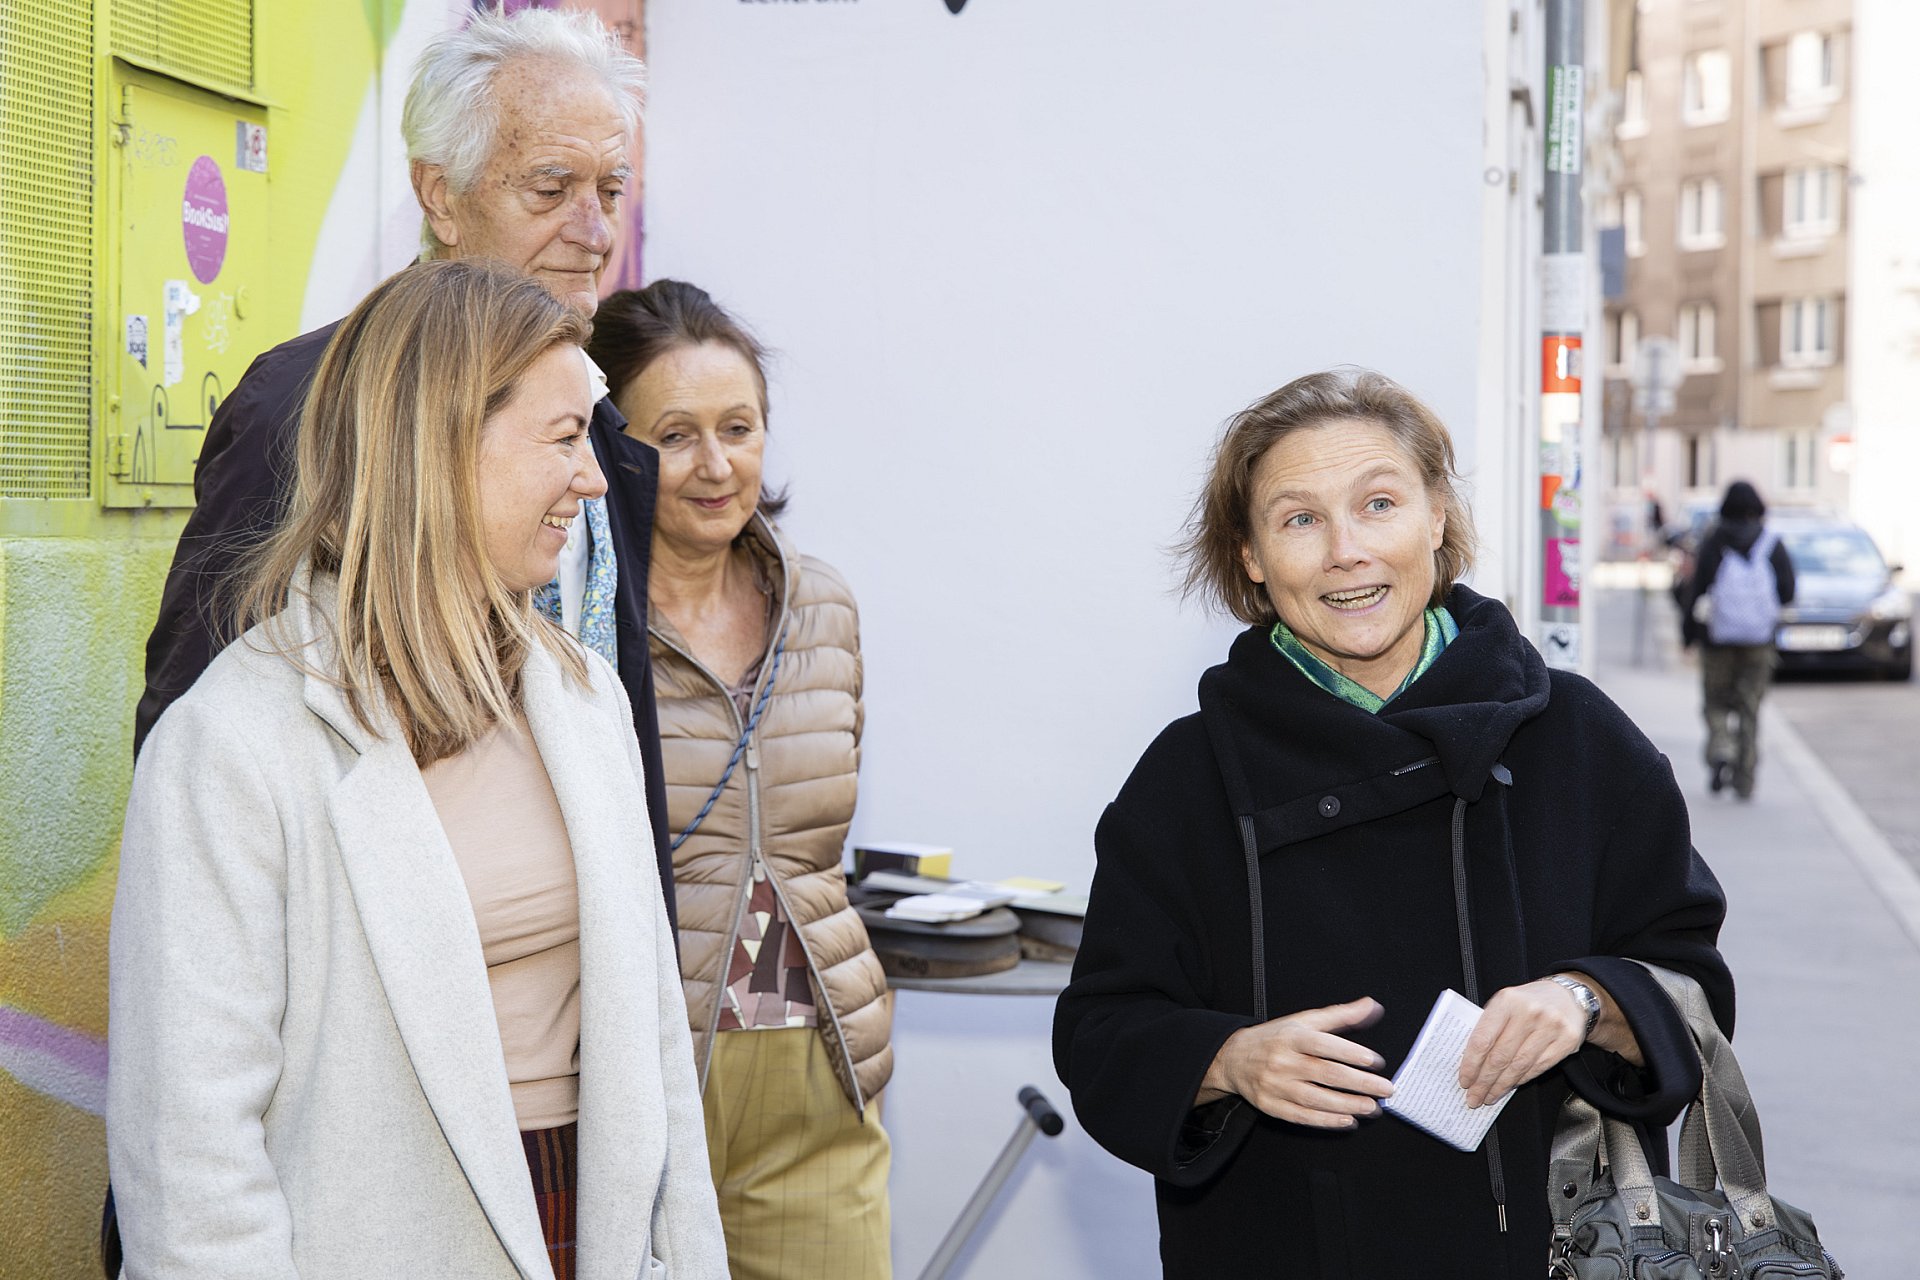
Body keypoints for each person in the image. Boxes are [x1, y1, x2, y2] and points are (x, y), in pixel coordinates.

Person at [109, 260, 729, 1280]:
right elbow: (193, 1164)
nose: (595, 477)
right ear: (440, 445)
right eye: (567, 438)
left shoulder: (582, 698)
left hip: (590, 1226)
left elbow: (659, 1051)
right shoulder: (232, 745)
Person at [1052, 369, 1733, 1278]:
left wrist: (1583, 1000)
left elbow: (1693, 983)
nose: (1347, 550)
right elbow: (1101, 1032)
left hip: (1550, 1251)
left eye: (1378, 504)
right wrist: (1227, 1059)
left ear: (1437, 517)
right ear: (1251, 555)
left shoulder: (1575, 737)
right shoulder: (1188, 776)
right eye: (1299, 519)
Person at [132, 7, 677, 928]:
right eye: (551, 189)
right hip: (373, 990)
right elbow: (195, 746)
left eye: (611, 191)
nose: (594, 231)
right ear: (440, 196)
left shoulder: (607, 433)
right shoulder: (306, 410)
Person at [587, 280, 893, 1280]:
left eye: (740, 427)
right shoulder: (577, 629)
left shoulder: (825, 606)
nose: (718, 466)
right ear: (611, 445)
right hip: (643, 1076)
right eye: (676, 434)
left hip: (817, 1065)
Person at [1679, 479, 1795, 799]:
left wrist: (1688, 634)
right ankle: (1744, 779)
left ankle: (1721, 750)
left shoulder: (1715, 540)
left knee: (1715, 702)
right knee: (1749, 707)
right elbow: (1788, 591)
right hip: (1758, 642)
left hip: (1718, 640)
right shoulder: (1771, 543)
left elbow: (1696, 590)